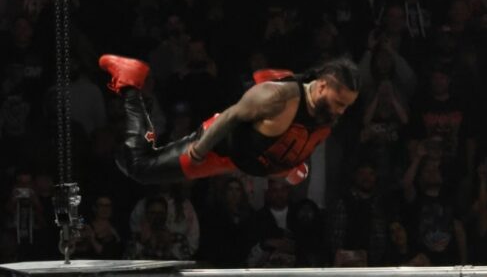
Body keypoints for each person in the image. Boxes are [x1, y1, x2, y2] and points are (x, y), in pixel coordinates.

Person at [98, 53, 360, 185]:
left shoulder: (325, 112)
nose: (341, 110)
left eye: (347, 106)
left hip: (246, 156)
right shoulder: (279, 97)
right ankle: (131, 83)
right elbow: (232, 115)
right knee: (139, 167)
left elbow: (293, 139)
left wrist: (292, 166)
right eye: (339, 103)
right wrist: (199, 150)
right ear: (323, 86)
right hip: (220, 150)